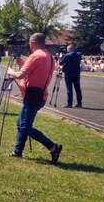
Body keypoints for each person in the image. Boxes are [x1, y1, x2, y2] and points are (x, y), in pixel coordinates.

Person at [7, 33, 63, 162]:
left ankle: (53, 147)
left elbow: (21, 75)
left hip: (32, 96)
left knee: (24, 127)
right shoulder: (48, 57)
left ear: (32, 42)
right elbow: (32, 70)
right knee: (21, 125)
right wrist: (19, 61)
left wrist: (10, 72)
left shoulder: (35, 56)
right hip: (40, 95)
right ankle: (17, 151)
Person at [58, 44, 83, 108]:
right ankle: (79, 103)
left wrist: (60, 56)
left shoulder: (67, 55)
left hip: (68, 73)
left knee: (69, 88)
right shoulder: (79, 54)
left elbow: (60, 62)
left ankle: (69, 103)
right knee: (78, 88)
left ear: (69, 49)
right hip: (76, 73)